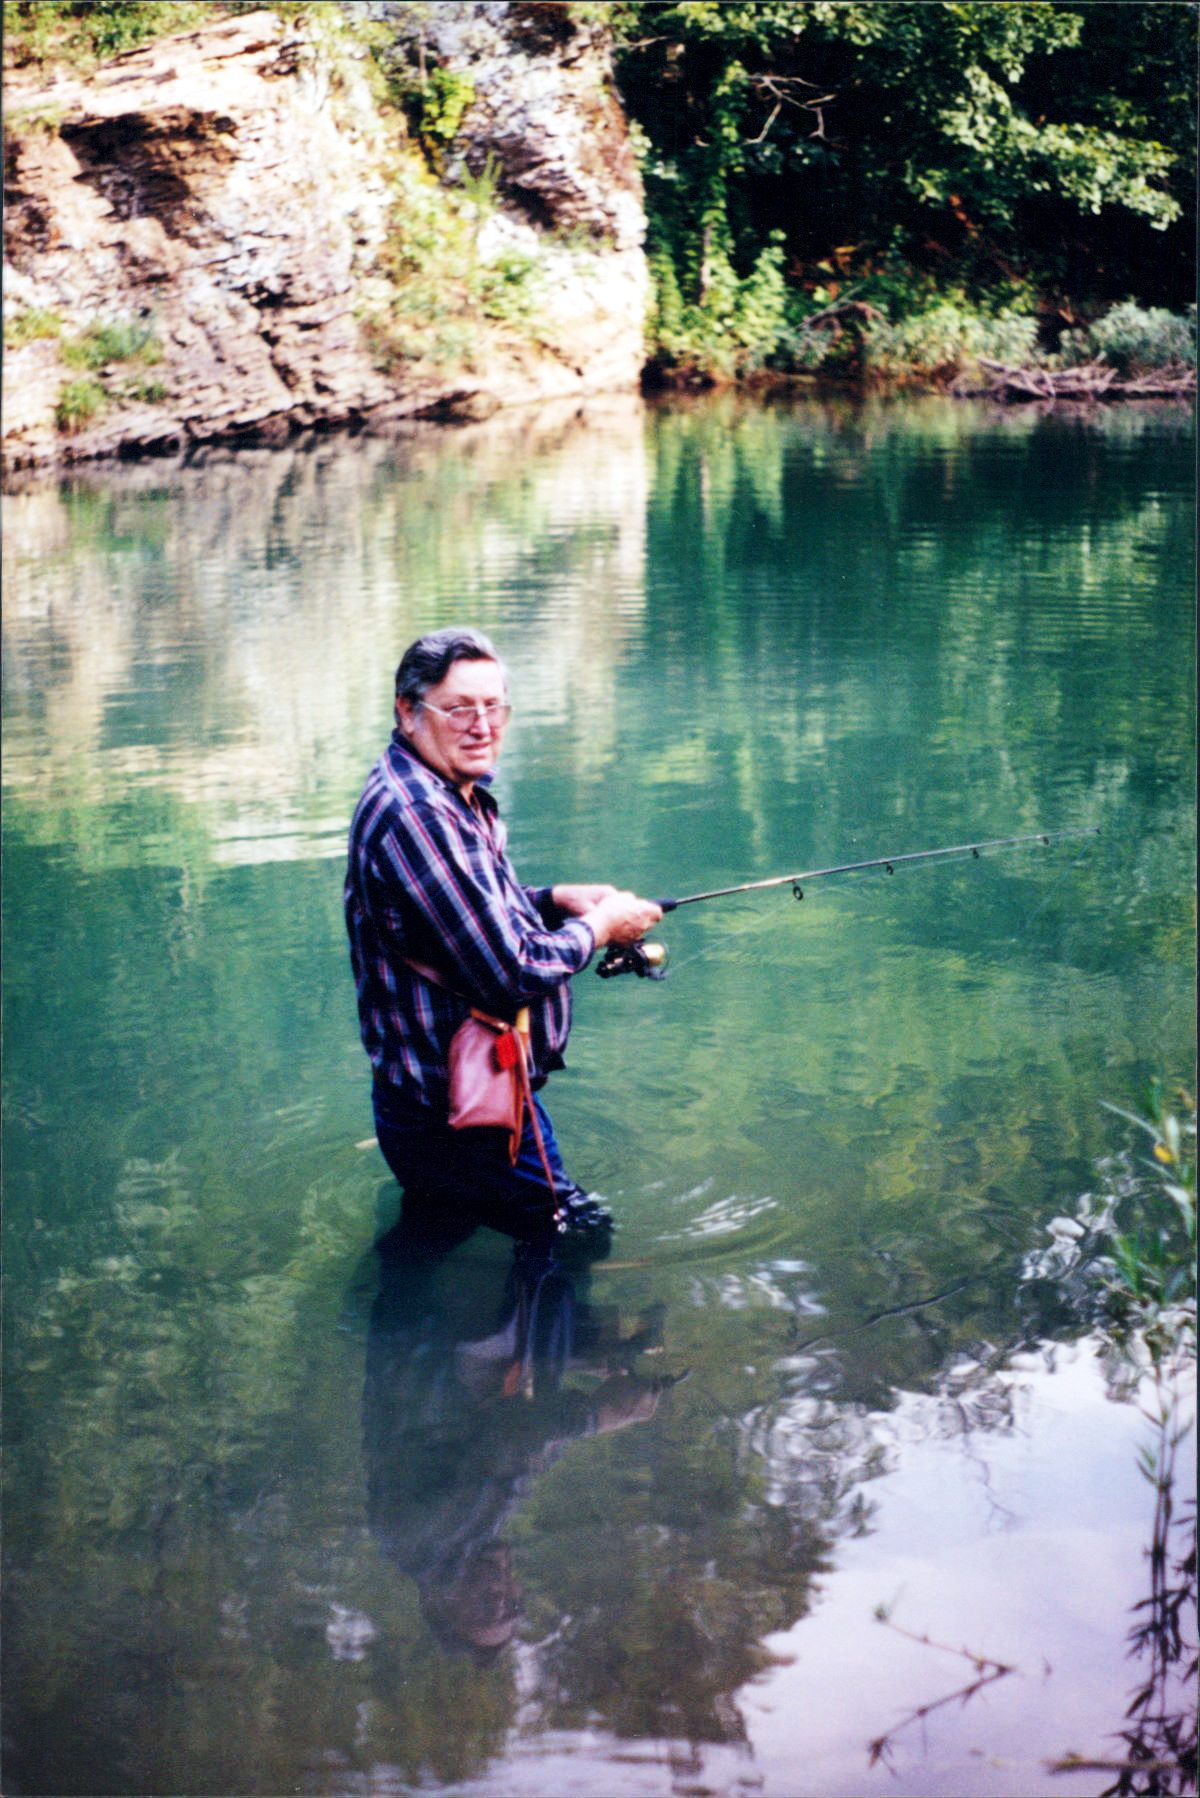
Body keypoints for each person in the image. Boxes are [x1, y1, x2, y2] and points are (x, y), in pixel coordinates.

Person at [345, 626, 661, 1248]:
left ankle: (390, 1311)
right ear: (408, 711)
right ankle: (540, 1322)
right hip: (466, 1112)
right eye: (460, 709)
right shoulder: (419, 814)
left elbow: (458, 915)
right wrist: (599, 928)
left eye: (494, 707)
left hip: (426, 1104)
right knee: (574, 1240)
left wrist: (553, 900)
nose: (482, 726)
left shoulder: (436, 791)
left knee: (434, 1232)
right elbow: (512, 970)